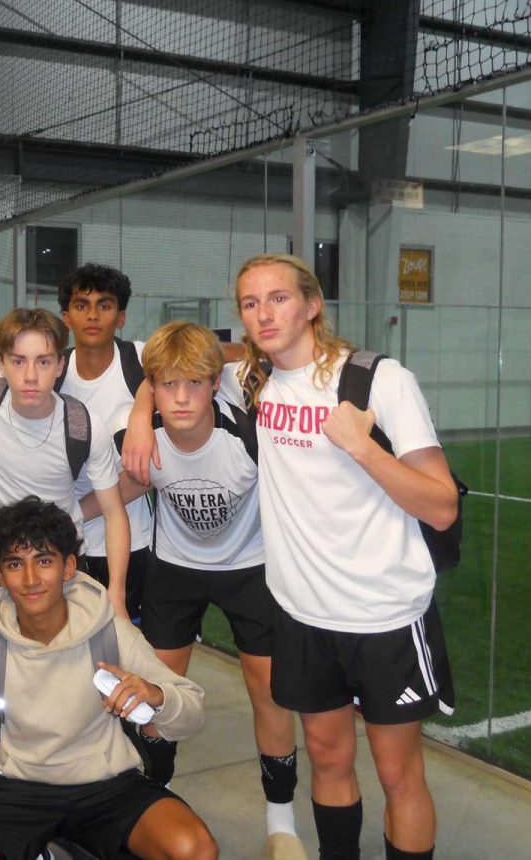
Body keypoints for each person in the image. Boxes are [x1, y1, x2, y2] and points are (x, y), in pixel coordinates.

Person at [126, 254, 457, 860]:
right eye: (250, 303)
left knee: (396, 773)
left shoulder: (377, 380)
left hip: (384, 612)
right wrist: (140, 418)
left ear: (312, 304)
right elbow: (169, 363)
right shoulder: (255, 381)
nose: (263, 312)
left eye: (278, 298)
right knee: (329, 759)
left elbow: (440, 507)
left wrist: (363, 448)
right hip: (303, 614)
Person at [86, 321, 306, 859]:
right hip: (174, 568)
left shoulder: (251, 432)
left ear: (216, 384)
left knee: (269, 690)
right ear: (153, 387)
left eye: (195, 384)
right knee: (153, 693)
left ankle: (283, 826)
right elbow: (132, 486)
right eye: (166, 386)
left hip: (249, 568)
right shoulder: (130, 434)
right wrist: (61, 520)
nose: (181, 398)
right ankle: (153, 801)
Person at [0, 497, 216, 860]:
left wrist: (157, 696)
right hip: (17, 789)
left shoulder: (111, 634)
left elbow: (192, 714)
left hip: (108, 786)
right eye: (14, 564)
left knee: (194, 849)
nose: (30, 580)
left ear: (68, 566)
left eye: (43, 561)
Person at [0, 308, 132, 622]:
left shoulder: (83, 425)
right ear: (0, 364)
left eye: (43, 361)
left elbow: (114, 513)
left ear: (60, 365)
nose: (31, 376)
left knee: (70, 668)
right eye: (18, 361)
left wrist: (116, 592)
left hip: (63, 568)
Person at [55, 264, 153, 622]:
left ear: (122, 317)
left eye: (105, 305)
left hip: (132, 543)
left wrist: (143, 411)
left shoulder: (142, 361)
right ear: (66, 317)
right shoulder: (49, 370)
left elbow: (207, 354)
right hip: (67, 545)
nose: (93, 314)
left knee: (127, 660)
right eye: (82, 305)